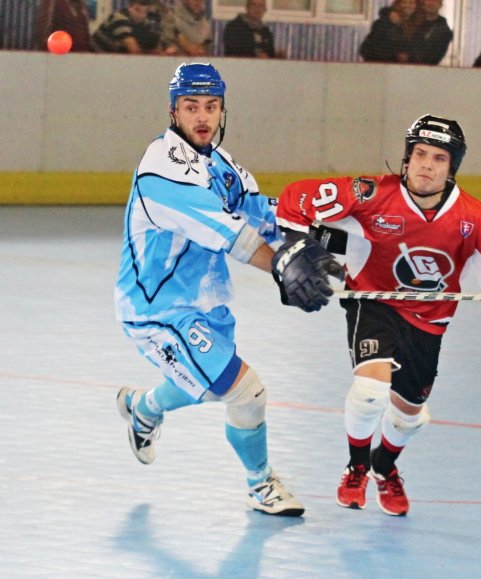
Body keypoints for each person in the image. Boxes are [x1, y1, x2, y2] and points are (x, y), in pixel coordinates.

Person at [273, 115, 481, 516]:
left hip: (430, 320)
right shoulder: (371, 195)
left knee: (410, 416)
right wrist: (296, 244)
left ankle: (384, 465)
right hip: (373, 301)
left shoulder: (474, 219)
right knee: (370, 389)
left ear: (452, 169)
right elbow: (296, 197)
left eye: (438, 158)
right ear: (407, 157)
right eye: (419, 154)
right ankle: (357, 466)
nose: (426, 165)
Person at [114, 63, 338, 517]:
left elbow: (262, 214)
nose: (202, 117)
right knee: (244, 391)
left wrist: (328, 241)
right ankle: (261, 485)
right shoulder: (162, 170)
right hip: (157, 309)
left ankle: (143, 408)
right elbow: (234, 235)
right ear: (173, 111)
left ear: (222, 110)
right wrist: (283, 265)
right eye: (191, 106)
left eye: (211, 106)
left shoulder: (221, 164)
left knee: (210, 384)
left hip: (207, 302)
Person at [91, 0, 163, 54]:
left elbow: (155, 48)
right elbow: (134, 50)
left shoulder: (142, 23)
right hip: (94, 59)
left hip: (108, 59)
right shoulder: (120, 18)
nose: (147, 17)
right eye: (147, 12)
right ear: (135, 8)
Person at [409, 0, 453, 65]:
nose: (431, 3)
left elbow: (436, 56)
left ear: (440, 5)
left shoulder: (444, 31)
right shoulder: (412, 22)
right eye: (429, 0)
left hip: (429, 68)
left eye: (435, 1)